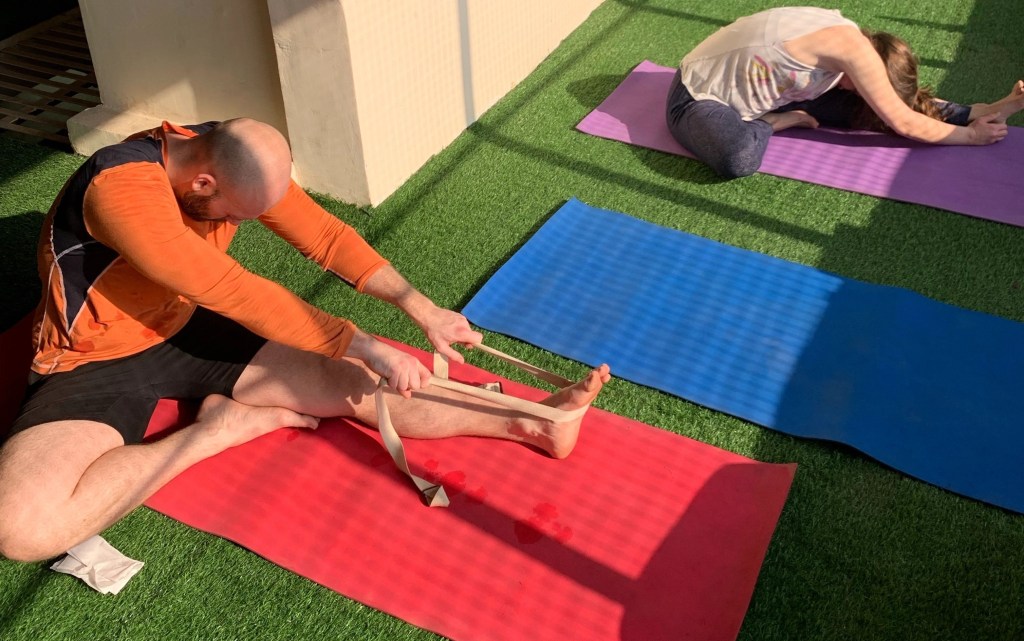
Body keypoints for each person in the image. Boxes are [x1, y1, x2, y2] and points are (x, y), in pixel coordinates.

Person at [0, 118, 611, 562]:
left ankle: (536, 419)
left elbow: (325, 238)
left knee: (358, 385)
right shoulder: (122, 190)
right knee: (20, 527)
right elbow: (233, 289)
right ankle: (214, 432)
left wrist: (422, 309)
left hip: (187, 323)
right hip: (92, 357)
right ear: (204, 184)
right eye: (238, 216)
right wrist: (365, 343)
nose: (242, 224)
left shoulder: (225, 154)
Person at [666, 6, 1024, 178]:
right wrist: (970, 139)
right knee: (737, 159)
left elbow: (896, 107)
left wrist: (972, 121)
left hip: (784, 88)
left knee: (869, 110)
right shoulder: (850, 51)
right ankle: (772, 122)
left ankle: (981, 110)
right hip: (700, 95)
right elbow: (905, 123)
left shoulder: (859, 40)